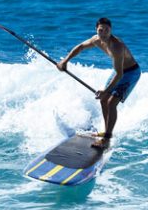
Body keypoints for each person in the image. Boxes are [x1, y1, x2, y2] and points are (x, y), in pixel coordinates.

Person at [57, 17, 140, 148]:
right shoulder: (96, 40)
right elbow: (80, 47)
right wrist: (65, 61)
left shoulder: (117, 46)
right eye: (101, 30)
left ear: (111, 30)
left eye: (107, 30)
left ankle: (106, 139)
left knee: (111, 102)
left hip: (130, 73)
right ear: (96, 30)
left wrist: (106, 91)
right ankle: (106, 132)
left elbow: (120, 74)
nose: (104, 33)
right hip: (119, 71)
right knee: (103, 100)